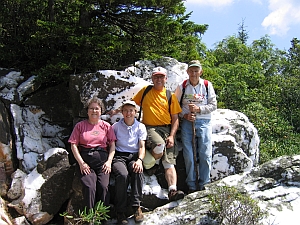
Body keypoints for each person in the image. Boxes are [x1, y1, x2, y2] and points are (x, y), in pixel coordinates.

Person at [132, 66, 184, 202]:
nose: (158, 79)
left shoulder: (170, 96)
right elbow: (131, 104)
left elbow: (175, 118)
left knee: (169, 163)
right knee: (159, 145)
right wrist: (115, 112)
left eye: (161, 76)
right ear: (152, 78)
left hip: (166, 130)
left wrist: (172, 135)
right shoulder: (145, 91)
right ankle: (152, 165)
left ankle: (172, 190)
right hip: (149, 128)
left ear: (166, 79)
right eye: (156, 76)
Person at [174, 60, 217, 193]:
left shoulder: (207, 85)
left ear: (200, 72)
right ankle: (191, 185)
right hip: (187, 123)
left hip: (203, 122)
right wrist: (185, 115)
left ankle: (204, 183)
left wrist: (199, 109)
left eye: (196, 70)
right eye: (191, 70)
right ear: (187, 72)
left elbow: (213, 105)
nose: (194, 73)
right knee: (188, 154)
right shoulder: (182, 86)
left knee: (205, 153)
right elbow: (175, 107)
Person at [68, 96, 116, 211]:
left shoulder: (106, 126)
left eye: (97, 109)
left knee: (104, 187)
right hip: (86, 161)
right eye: (91, 108)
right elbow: (73, 145)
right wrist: (81, 163)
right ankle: (90, 218)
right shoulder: (80, 126)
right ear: (87, 111)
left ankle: (102, 217)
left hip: (102, 162)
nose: (94, 111)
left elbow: (112, 145)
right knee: (89, 187)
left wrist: (109, 162)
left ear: (101, 111)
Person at [111, 100, 147, 225]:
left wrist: (140, 160)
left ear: (135, 112)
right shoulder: (115, 127)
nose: (128, 113)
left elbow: (142, 146)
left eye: (131, 110)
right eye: (125, 110)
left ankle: (136, 206)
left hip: (134, 156)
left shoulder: (140, 127)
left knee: (137, 171)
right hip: (119, 156)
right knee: (122, 175)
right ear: (122, 112)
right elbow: (111, 145)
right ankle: (120, 212)